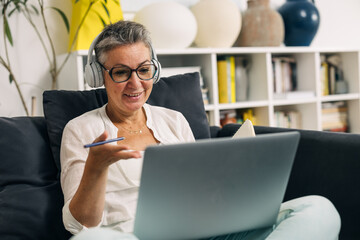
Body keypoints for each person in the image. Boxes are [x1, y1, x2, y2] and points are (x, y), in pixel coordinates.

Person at [60, 20, 341, 240]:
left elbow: (204, 192)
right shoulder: (81, 130)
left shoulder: (174, 120)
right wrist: (96, 168)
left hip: (201, 232)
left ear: (153, 71)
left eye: (144, 69)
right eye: (121, 72)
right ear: (99, 76)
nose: (135, 83)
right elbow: (79, 225)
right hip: (129, 236)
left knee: (317, 209)